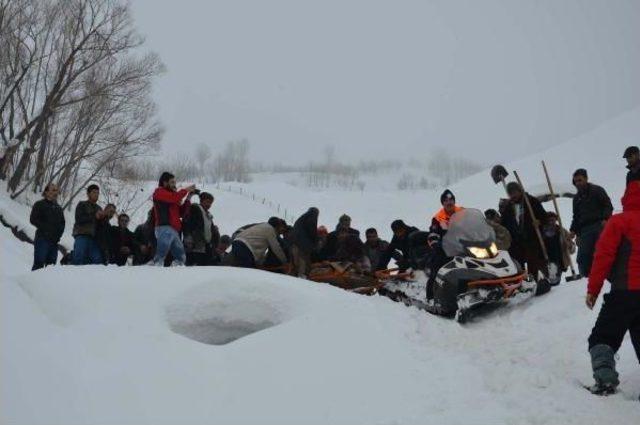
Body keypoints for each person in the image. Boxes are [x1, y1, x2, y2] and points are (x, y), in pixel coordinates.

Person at [585, 181, 640, 395]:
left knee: (602, 338)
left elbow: (603, 257)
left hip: (624, 292)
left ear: (626, 198)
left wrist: (593, 290)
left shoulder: (619, 222)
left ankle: (605, 381)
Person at [500, 182, 548, 282]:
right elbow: (503, 223)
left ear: (520, 191)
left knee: (532, 262)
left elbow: (545, 217)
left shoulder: (531, 201)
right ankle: (521, 283)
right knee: (517, 264)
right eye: (510, 193)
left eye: (515, 192)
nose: (513, 195)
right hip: (516, 241)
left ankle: (534, 281)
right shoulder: (508, 207)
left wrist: (539, 221)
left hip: (531, 237)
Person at [569, 169, 614, 277]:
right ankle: (586, 278)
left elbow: (608, 206)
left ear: (586, 179)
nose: (578, 183)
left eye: (580, 180)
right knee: (582, 258)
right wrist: (573, 230)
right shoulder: (576, 198)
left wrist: (606, 219)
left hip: (599, 225)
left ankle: (608, 274)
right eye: (576, 181)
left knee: (601, 252)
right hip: (584, 230)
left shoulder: (597, 190)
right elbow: (576, 217)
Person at [152, 172, 196, 266]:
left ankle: (175, 275)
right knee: (160, 255)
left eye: (174, 182)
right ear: (164, 182)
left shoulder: (173, 196)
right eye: (172, 182)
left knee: (181, 258)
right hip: (164, 228)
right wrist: (186, 190)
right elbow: (174, 198)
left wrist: (188, 198)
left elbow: (181, 213)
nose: (174, 185)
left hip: (174, 230)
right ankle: (152, 271)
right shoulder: (159, 192)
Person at [29, 183, 65, 271]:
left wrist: (58, 236)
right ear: (46, 192)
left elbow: (62, 224)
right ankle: (32, 283)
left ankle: (46, 284)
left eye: (57, 190)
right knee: (39, 264)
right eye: (53, 190)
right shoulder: (39, 204)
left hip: (54, 242)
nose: (56, 193)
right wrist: (45, 229)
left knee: (51, 267)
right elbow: (33, 219)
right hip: (42, 239)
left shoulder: (59, 209)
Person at [72, 184, 110, 265]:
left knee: (97, 260)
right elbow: (79, 219)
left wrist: (106, 217)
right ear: (88, 194)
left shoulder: (99, 208)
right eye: (94, 192)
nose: (96, 195)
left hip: (94, 239)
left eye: (98, 193)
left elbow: (102, 226)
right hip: (82, 235)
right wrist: (94, 216)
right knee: (78, 258)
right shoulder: (82, 204)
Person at [183, 192, 218, 266]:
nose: (209, 205)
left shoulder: (208, 215)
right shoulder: (195, 209)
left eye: (210, 203)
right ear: (201, 201)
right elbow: (192, 227)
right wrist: (194, 241)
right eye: (207, 202)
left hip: (204, 246)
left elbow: (211, 231)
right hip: (195, 245)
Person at [542, 211, 575, 286]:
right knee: (553, 283)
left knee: (556, 284)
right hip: (549, 261)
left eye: (553, 220)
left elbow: (572, 248)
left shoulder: (561, 231)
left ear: (556, 220)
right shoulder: (542, 232)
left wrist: (569, 245)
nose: (551, 222)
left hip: (560, 260)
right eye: (549, 220)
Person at [289, 207, 319, 277]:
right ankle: (302, 278)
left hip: (294, 243)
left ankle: (295, 277)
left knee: (296, 263)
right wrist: (315, 242)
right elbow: (312, 231)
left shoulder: (300, 219)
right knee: (303, 263)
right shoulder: (312, 217)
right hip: (303, 245)